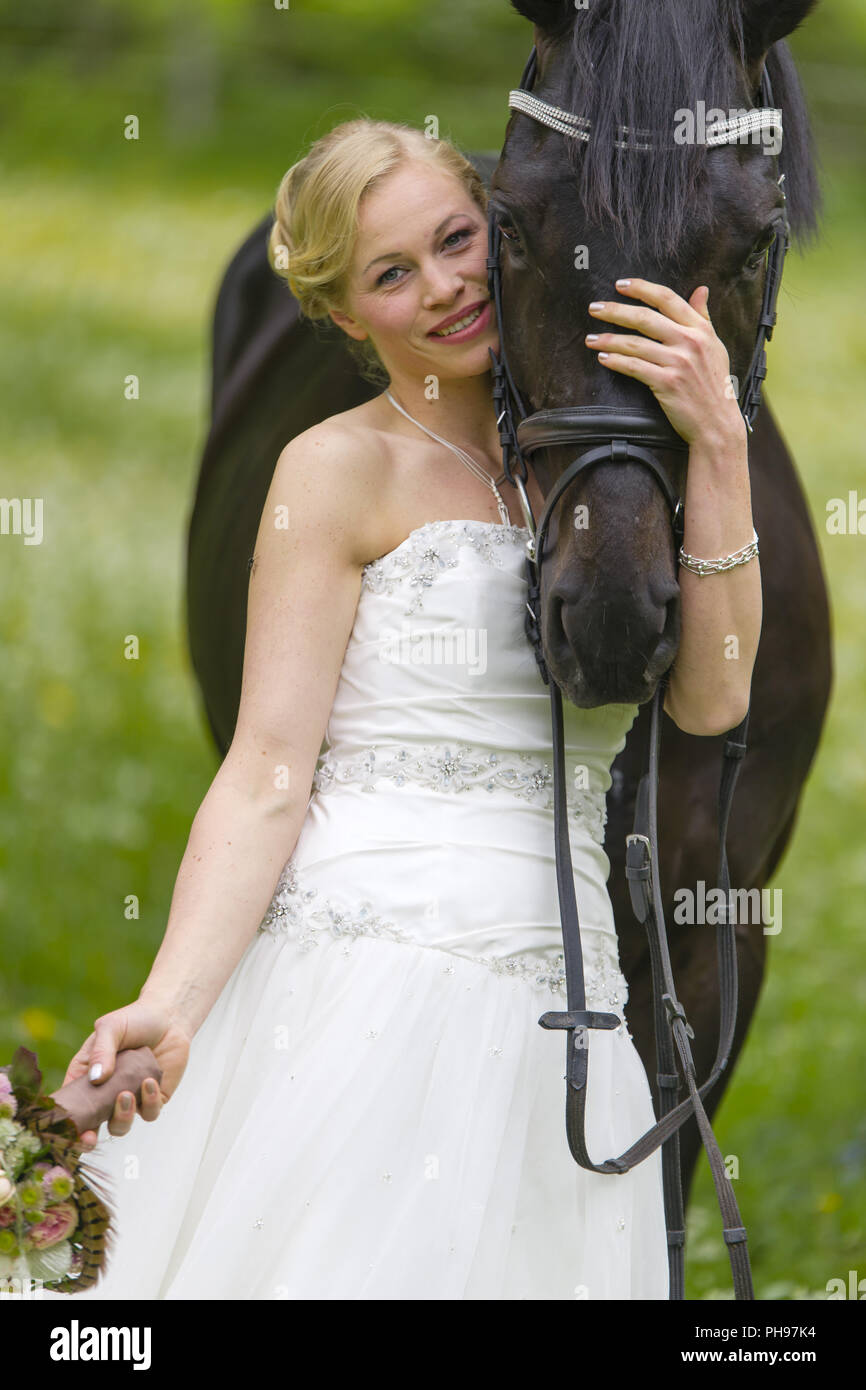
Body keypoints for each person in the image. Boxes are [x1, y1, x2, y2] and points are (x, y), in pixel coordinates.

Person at [45, 115, 758, 1301]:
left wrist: (719, 440)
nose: (442, 287)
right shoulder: (334, 472)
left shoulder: (614, 460)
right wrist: (170, 1002)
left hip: (560, 1000)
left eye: (453, 239)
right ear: (342, 316)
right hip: (359, 984)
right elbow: (269, 770)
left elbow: (712, 698)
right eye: (391, 273)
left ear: (502, 229)